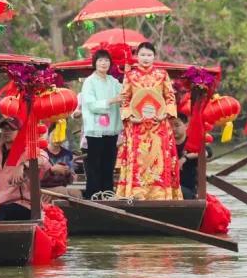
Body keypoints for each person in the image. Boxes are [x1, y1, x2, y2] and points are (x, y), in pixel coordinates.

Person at [117, 42, 182, 200]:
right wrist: (131, 117)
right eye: (142, 55)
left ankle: (161, 195)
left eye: (149, 55)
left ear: (154, 57)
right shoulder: (130, 76)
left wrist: (164, 114)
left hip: (159, 125)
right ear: (137, 57)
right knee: (138, 160)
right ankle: (136, 194)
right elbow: (125, 100)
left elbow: (170, 98)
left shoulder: (162, 74)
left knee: (160, 159)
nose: (146, 58)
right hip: (137, 126)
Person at [79, 49, 122, 199]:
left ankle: (108, 193)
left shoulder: (113, 81)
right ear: (95, 63)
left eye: (106, 60)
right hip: (95, 129)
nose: (104, 63)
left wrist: (128, 75)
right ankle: (93, 195)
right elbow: (91, 104)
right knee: (94, 164)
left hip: (111, 129)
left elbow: (124, 95)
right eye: (100, 60)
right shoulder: (89, 82)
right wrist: (111, 100)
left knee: (109, 164)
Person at [0, 117, 48, 221]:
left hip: (21, 203)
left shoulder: (27, 150)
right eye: (3, 129)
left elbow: (44, 159)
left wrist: (23, 165)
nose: (6, 132)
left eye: (11, 129)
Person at [171, 114, 211, 199]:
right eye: (170, 126)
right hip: (170, 189)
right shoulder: (166, 144)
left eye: (177, 125)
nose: (173, 129)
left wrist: (185, 158)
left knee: (175, 189)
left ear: (186, 126)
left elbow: (207, 152)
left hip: (190, 191)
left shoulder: (193, 143)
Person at [42, 122, 75, 188]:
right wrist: (51, 170)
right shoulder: (41, 153)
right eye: (54, 135)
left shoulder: (68, 154)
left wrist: (68, 173)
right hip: (45, 188)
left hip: (62, 188)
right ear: (48, 135)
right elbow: (38, 178)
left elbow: (71, 180)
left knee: (76, 193)